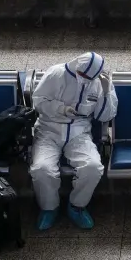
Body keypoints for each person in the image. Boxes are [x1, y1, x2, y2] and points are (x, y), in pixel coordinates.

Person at [30, 52, 118, 230]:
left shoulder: (101, 83)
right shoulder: (56, 74)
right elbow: (38, 101)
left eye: (88, 77)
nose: (84, 79)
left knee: (93, 167)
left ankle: (77, 206)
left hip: (79, 132)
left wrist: (107, 94)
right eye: (83, 75)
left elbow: (104, 116)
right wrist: (61, 109)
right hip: (48, 130)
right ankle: (49, 208)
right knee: (41, 169)